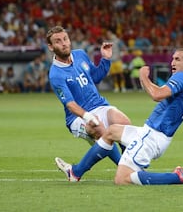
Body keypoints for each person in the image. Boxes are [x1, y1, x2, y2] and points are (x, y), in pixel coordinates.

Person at [56, 48, 183, 185]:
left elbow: (156, 94)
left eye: (177, 59)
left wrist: (143, 77)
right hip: (154, 135)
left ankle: (175, 177)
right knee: (111, 132)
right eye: (172, 58)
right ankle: (75, 172)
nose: (172, 62)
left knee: (122, 179)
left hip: (152, 137)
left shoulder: (181, 77)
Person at [47, 25, 131, 180]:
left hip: (99, 105)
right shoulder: (55, 74)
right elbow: (70, 105)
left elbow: (96, 77)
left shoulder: (80, 55)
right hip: (77, 117)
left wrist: (105, 58)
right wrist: (88, 116)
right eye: (58, 41)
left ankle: (75, 172)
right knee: (100, 129)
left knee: (124, 122)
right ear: (51, 47)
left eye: (65, 39)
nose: (64, 43)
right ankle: (128, 171)